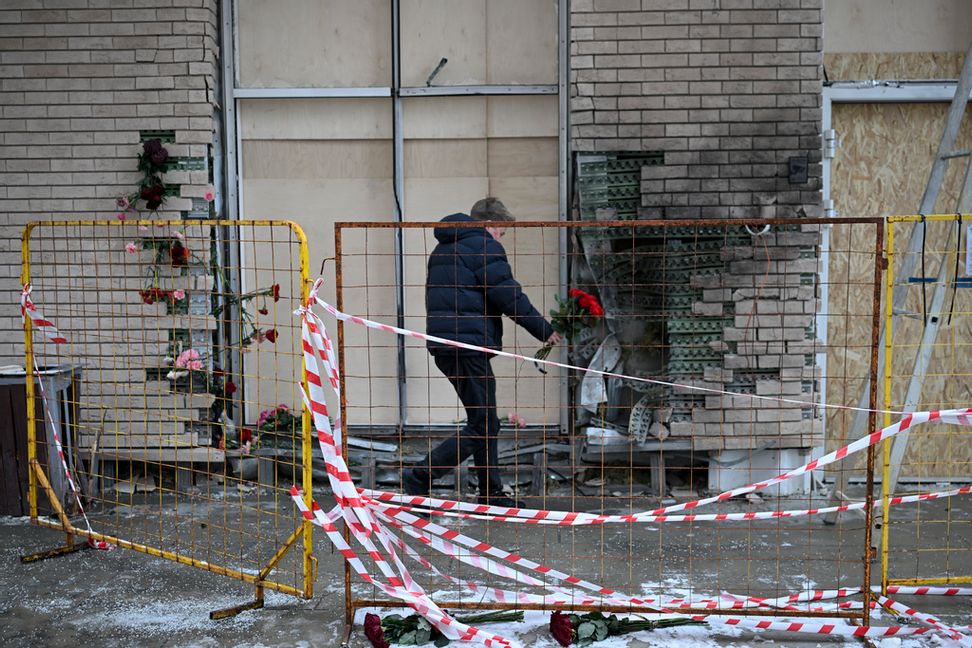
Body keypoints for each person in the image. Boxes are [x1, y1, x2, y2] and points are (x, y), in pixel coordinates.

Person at [402, 197, 562, 508]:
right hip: (467, 345)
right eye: (502, 231)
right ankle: (420, 476)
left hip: (446, 345)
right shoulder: (483, 245)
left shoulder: (444, 247)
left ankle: (491, 492)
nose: (502, 237)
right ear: (491, 225)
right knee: (484, 423)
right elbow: (508, 294)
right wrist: (544, 330)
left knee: (483, 419)